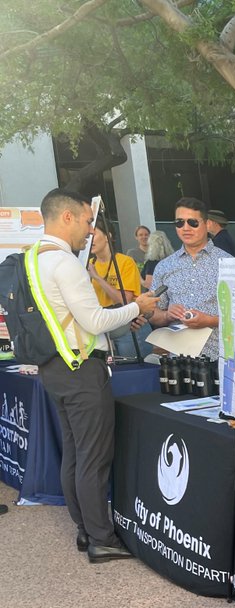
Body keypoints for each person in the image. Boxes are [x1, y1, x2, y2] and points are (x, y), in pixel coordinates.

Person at [29, 189, 160, 561]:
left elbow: (79, 321)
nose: (90, 230)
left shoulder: (33, 258)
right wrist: (138, 305)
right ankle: (102, 538)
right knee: (93, 458)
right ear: (67, 217)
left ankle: (86, 529)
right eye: (88, 221)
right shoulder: (66, 263)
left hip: (56, 366)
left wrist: (122, 316)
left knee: (75, 452)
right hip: (82, 370)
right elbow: (94, 320)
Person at [145, 198, 231, 359]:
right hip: (179, 360)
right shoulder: (164, 266)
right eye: (179, 222)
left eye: (193, 222)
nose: (186, 228)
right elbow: (153, 313)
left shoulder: (227, 263)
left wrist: (210, 321)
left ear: (206, 224)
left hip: (220, 357)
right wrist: (167, 315)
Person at [86, 223, 144, 360]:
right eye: (87, 236)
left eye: (93, 235)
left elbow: (124, 300)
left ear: (108, 236)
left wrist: (97, 278)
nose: (90, 240)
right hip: (99, 328)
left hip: (124, 327)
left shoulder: (125, 262)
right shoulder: (88, 264)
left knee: (129, 370)